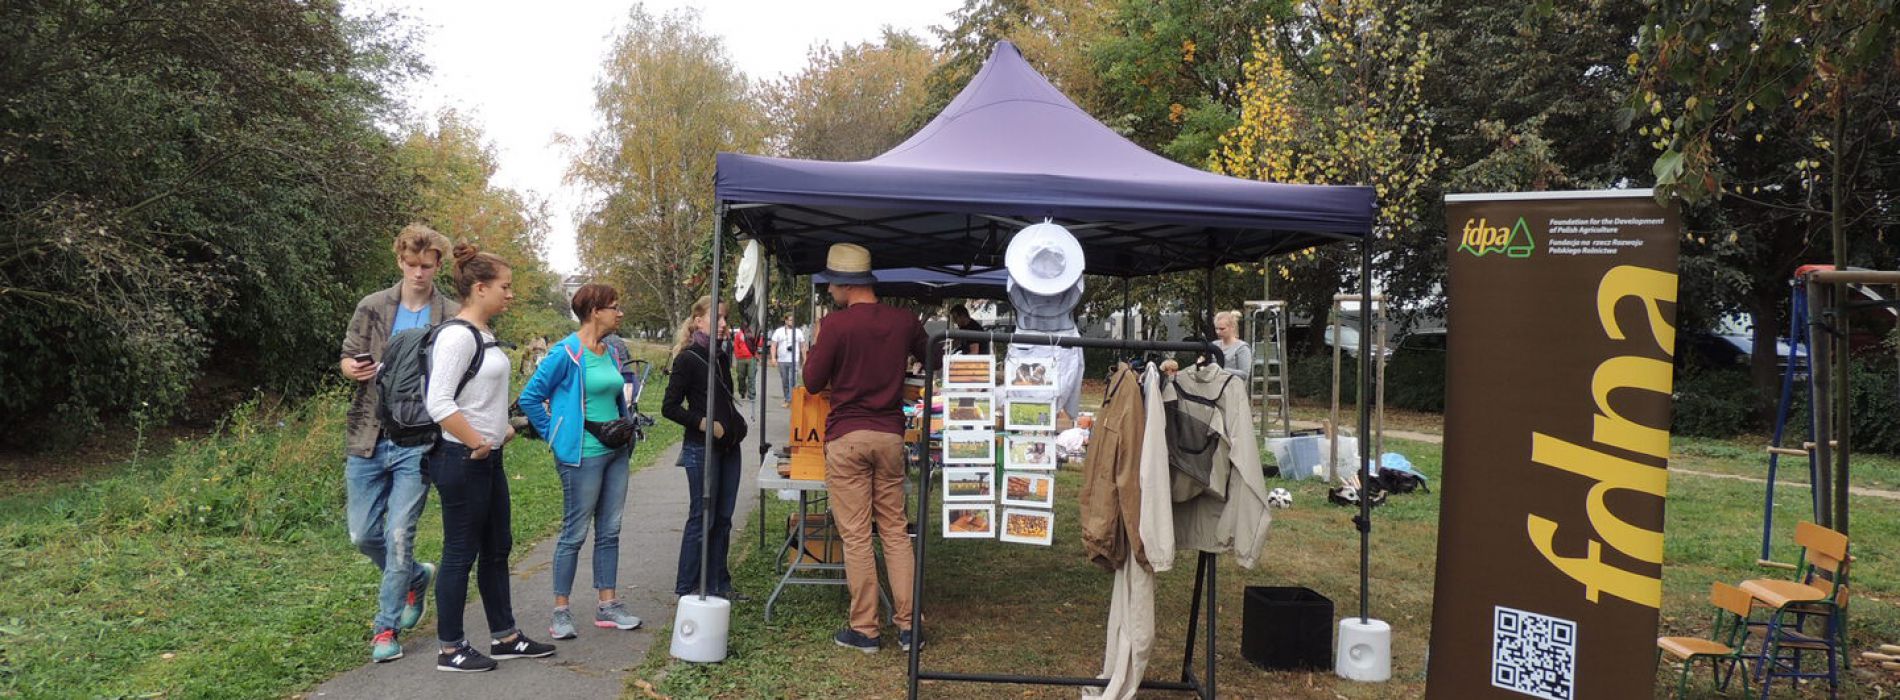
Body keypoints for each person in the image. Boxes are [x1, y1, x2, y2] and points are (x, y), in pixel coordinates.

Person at [426, 243, 556, 672]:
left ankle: (505, 636)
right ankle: (450, 648)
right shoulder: (456, 336)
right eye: (506, 287)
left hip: (488, 457)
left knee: (498, 548)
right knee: (460, 553)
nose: (511, 294)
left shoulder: (483, 336)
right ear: (479, 289)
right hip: (463, 460)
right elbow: (439, 402)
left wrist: (500, 429)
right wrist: (477, 441)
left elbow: (477, 396)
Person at [338, 223, 458, 663]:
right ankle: (414, 579)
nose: (418, 273)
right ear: (399, 262)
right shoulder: (372, 307)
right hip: (368, 433)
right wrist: (352, 367)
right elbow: (348, 353)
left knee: (398, 534)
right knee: (361, 534)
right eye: (411, 265)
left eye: (426, 265)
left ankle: (384, 631)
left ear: (438, 265)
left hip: (420, 439)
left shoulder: (450, 315)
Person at [802, 243, 928, 654]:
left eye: (831, 284)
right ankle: (910, 628)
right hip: (890, 435)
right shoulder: (904, 320)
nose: (829, 291)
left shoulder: (836, 326)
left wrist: (819, 349)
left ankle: (866, 629)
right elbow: (935, 358)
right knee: (895, 532)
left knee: (856, 536)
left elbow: (813, 380)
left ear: (843, 284)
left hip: (847, 437)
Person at [516, 283, 643, 641]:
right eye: (614, 307)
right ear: (594, 311)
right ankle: (560, 612)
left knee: (611, 529)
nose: (620, 313)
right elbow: (529, 398)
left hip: (616, 451)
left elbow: (618, 394)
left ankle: (608, 604)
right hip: (582, 455)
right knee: (574, 532)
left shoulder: (611, 351)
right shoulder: (565, 353)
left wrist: (627, 429)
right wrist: (555, 435)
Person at [661, 296, 749, 600]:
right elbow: (669, 407)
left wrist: (734, 426)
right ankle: (687, 587)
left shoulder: (722, 357)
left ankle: (717, 583)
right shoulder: (687, 358)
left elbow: (724, 399)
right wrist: (704, 424)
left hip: (729, 449)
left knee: (724, 518)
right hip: (702, 449)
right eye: (717, 318)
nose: (724, 324)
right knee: (702, 517)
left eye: (725, 318)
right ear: (698, 321)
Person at [768, 312, 807, 407]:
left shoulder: (798, 332)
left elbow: (803, 346)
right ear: (785, 321)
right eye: (790, 320)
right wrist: (773, 358)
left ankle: (791, 400)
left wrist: (805, 358)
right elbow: (773, 345)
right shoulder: (779, 331)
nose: (792, 322)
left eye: (793, 320)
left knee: (792, 380)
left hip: (794, 360)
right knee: (785, 381)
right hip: (782, 360)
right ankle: (787, 398)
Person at [1212, 310, 1253, 380]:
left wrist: (1221, 370)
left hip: (1233, 388)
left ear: (1232, 327)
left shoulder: (1242, 348)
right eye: (1216, 328)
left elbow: (1244, 374)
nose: (1218, 332)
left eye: (1222, 329)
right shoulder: (1214, 345)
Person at [731, 323, 758, 401]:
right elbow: (736, 345)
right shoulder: (738, 335)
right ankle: (742, 391)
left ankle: (751, 395)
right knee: (740, 377)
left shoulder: (753, 334)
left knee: (751, 376)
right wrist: (737, 356)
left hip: (751, 358)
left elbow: (758, 343)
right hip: (741, 358)